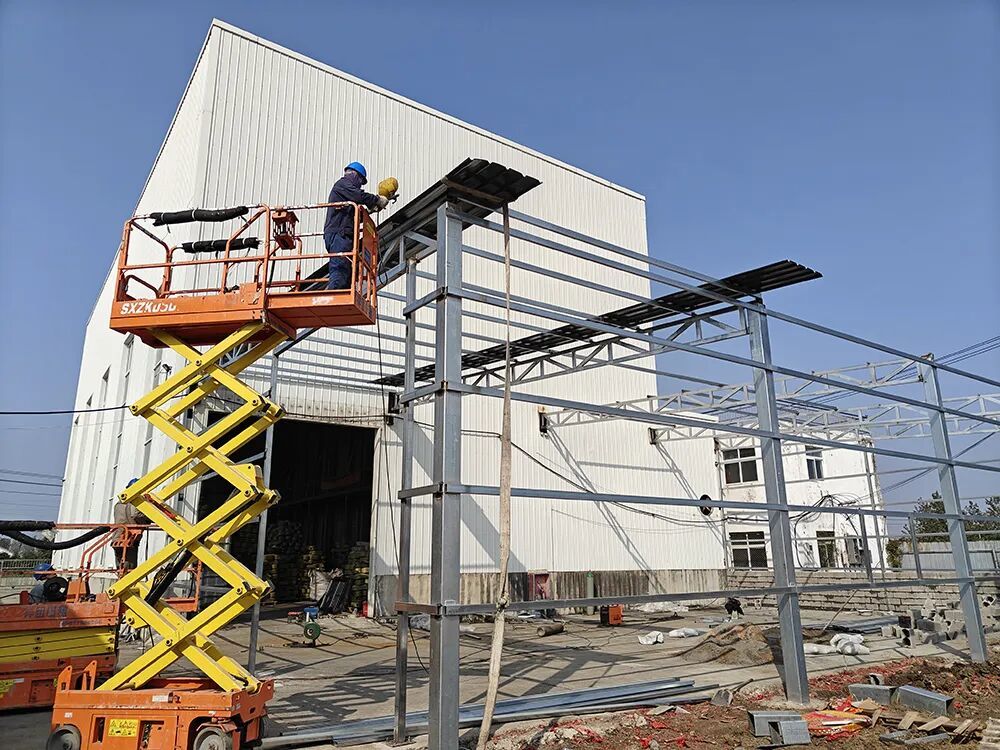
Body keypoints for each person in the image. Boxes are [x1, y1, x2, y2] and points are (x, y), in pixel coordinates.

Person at [323, 161, 389, 290]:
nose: (360, 184)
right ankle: (332, 295)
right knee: (340, 271)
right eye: (361, 181)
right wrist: (377, 200)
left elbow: (352, 217)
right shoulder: (342, 185)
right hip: (339, 235)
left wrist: (369, 210)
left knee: (346, 276)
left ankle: (337, 295)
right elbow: (359, 195)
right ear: (354, 175)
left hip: (343, 235)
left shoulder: (347, 196)